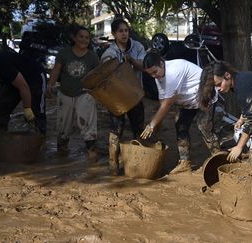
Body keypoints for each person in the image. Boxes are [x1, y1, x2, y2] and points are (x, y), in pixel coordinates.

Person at [141, 50, 220, 174]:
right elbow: (162, 101)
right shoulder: (159, 76)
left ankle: (219, 160)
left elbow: (167, 104)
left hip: (206, 96)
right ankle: (184, 163)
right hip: (188, 101)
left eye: (154, 72)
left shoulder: (173, 71)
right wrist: (157, 126)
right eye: (150, 74)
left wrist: (152, 125)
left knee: (204, 127)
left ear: (162, 63)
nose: (153, 76)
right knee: (180, 126)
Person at [47, 26, 99, 162]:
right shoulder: (64, 53)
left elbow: (98, 75)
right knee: (63, 125)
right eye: (81, 36)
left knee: (88, 123)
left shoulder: (92, 56)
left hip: (85, 94)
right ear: (74, 38)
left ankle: (91, 151)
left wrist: (98, 92)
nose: (84, 39)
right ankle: (62, 151)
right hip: (65, 93)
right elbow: (56, 71)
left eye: (87, 37)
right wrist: (50, 85)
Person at [101, 18, 146, 175]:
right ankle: (113, 166)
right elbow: (104, 77)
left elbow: (145, 67)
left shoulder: (138, 47)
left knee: (138, 130)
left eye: (126, 30)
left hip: (135, 96)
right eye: (120, 31)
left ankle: (138, 164)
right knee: (116, 131)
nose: (124, 33)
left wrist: (132, 60)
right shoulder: (109, 53)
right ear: (114, 34)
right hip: (116, 99)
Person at [0, 50, 46, 135]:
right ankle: (1, 136)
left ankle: (39, 138)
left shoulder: (1, 65)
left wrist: (27, 108)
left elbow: (24, 87)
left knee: (36, 110)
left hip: (34, 76)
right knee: (3, 105)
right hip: (14, 80)